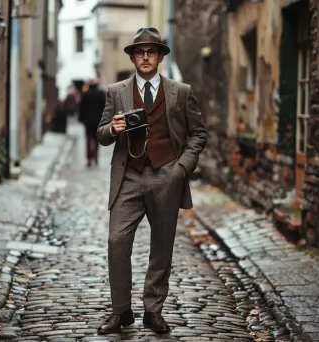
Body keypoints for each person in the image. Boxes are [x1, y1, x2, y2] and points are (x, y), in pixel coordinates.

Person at [97, 27, 207, 334]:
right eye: (139, 52)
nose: (145, 57)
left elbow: (199, 133)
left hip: (166, 176)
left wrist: (181, 168)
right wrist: (114, 129)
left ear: (159, 57)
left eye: (151, 52)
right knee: (116, 241)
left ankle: (153, 311)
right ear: (132, 57)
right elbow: (101, 135)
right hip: (128, 177)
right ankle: (121, 312)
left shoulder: (180, 91)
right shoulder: (115, 91)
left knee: (162, 247)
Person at [79, 78, 105, 166]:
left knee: (88, 139)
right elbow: (104, 107)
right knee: (97, 139)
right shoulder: (101, 94)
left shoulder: (85, 94)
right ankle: (96, 156)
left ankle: (89, 159)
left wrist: (80, 118)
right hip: (98, 120)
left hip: (88, 121)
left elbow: (81, 108)